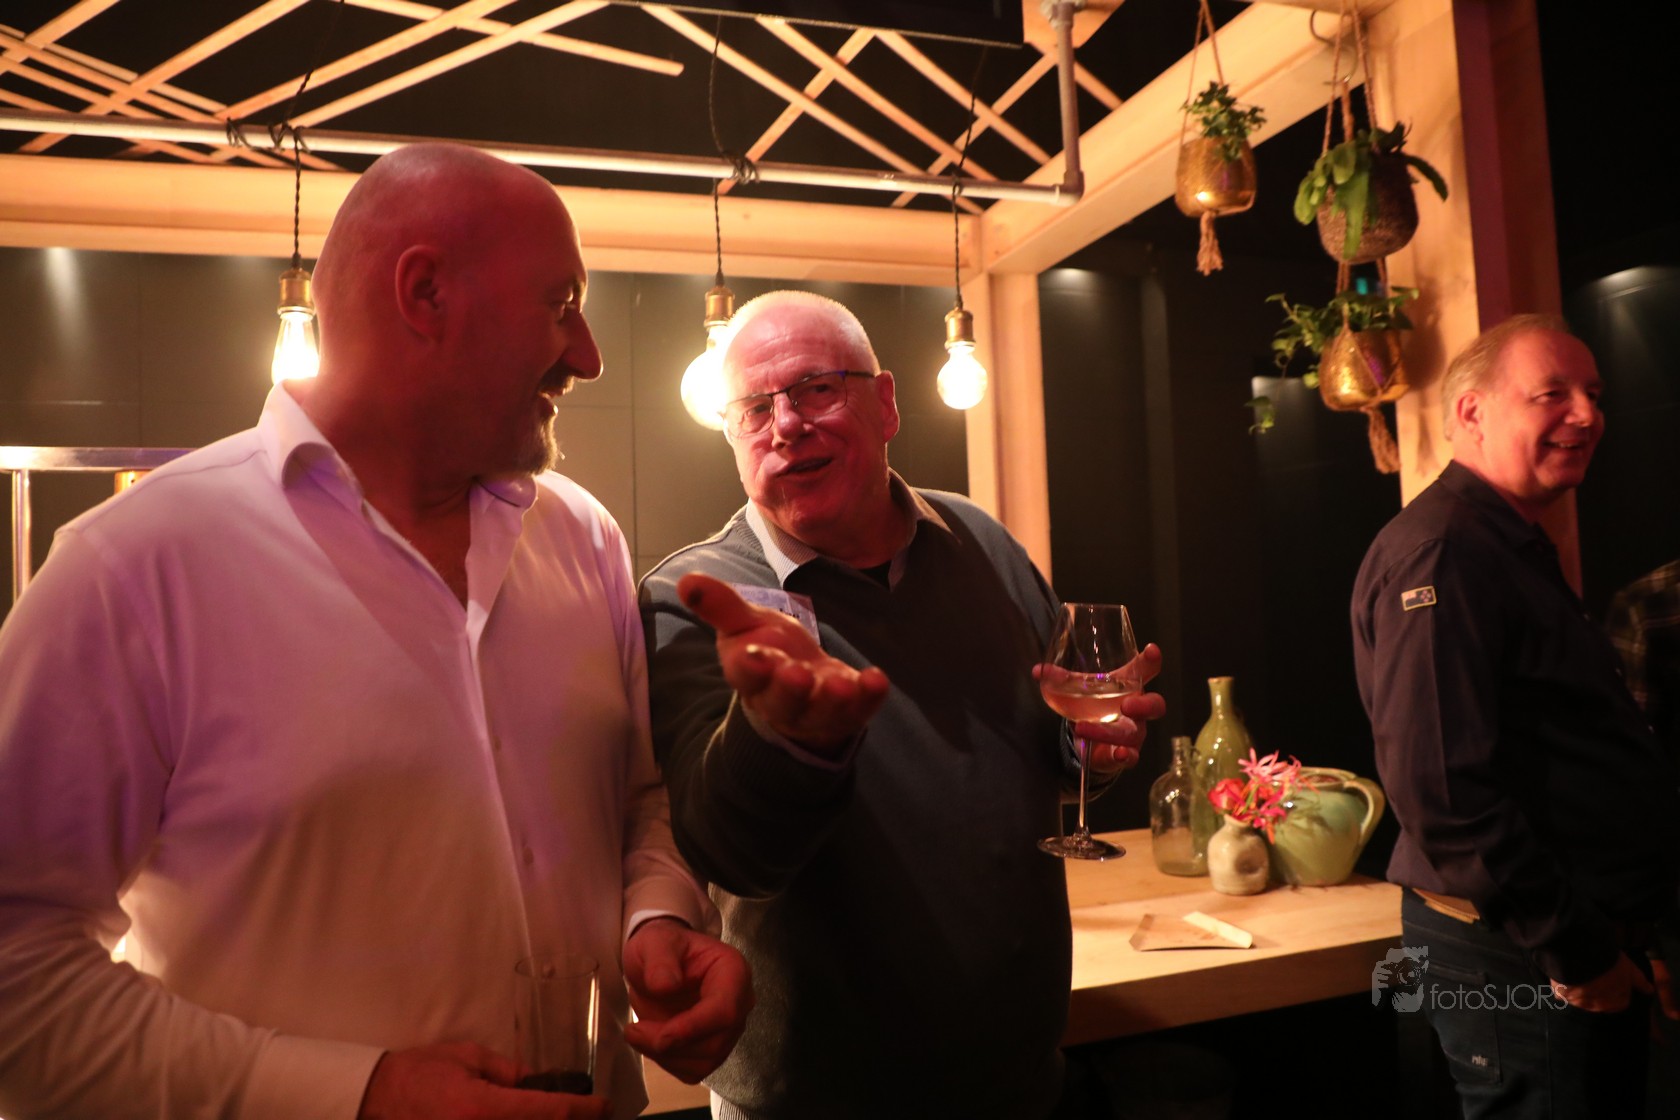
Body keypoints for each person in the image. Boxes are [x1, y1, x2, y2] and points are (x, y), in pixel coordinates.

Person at [0, 144, 751, 1120]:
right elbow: (16, 974)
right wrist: (355, 1095)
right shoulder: (131, 567)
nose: (589, 356)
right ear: (424, 293)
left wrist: (657, 917)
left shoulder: (585, 540)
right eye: (561, 304)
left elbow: (638, 801)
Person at [639, 290, 1164, 1119]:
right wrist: (781, 735)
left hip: (1019, 1081)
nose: (786, 425)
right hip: (814, 1102)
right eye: (754, 410)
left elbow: (1038, 753)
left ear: (885, 404)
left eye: (815, 389)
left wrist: (1085, 753)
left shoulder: (982, 543)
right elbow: (734, 854)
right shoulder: (696, 596)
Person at [1351, 314, 1680, 1117]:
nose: (1587, 414)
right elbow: (1443, 791)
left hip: (1558, 937)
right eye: (1552, 394)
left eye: (1594, 394)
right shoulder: (1445, 552)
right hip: (1518, 949)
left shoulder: (1502, 541)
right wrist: (1576, 948)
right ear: (1472, 411)